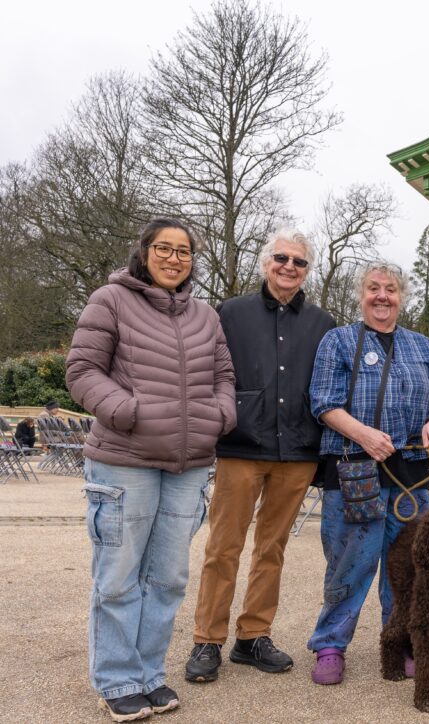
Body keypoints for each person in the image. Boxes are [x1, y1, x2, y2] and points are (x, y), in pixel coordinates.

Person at [66, 217, 236, 722]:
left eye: (183, 252)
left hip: (187, 467)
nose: (173, 258)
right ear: (144, 252)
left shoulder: (206, 315)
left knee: (167, 579)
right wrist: (128, 411)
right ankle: (117, 679)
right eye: (164, 248)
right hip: (125, 461)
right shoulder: (110, 300)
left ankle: (147, 674)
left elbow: (225, 376)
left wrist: (220, 416)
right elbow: (82, 371)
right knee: (119, 576)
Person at [186, 229, 335, 684]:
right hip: (241, 444)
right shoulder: (230, 312)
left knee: (273, 548)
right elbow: (207, 369)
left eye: (300, 262)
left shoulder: (323, 323)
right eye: (281, 258)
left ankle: (253, 635)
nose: (289, 267)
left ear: (309, 270)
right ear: (265, 262)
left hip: (297, 450)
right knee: (223, 547)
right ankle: (207, 639)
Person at [306, 262, 429, 685]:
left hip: (408, 472)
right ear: (362, 295)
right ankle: (331, 645)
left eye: (391, 289)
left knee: (407, 565)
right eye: (374, 288)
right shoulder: (337, 342)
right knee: (350, 561)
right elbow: (323, 402)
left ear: (401, 297)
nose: (382, 296)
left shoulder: (422, 345)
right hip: (354, 468)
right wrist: (365, 435)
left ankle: (402, 641)